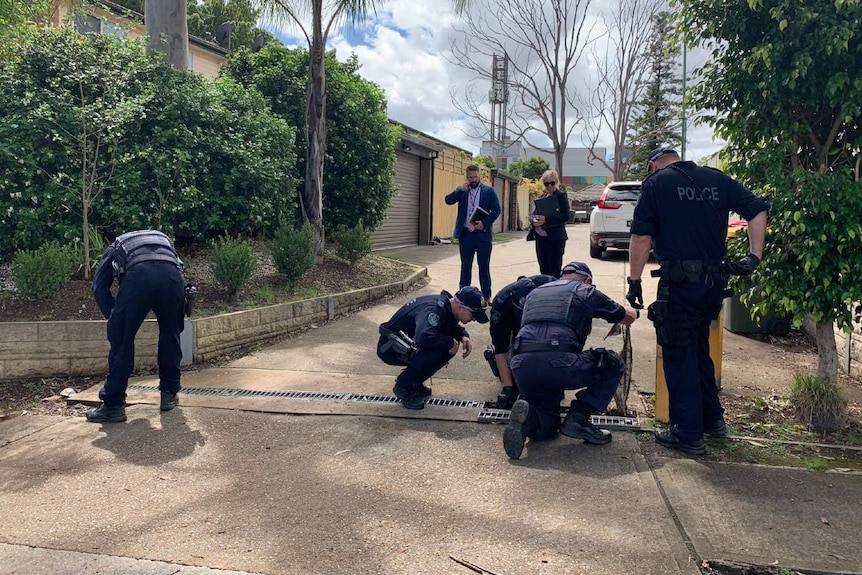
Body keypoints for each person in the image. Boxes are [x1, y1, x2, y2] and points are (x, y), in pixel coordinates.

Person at [627, 147, 769, 455]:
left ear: (653, 165)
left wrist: (634, 281)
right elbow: (757, 209)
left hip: (680, 284)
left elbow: (641, 238)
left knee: (679, 354)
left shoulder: (656, 183)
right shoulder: (717, 179)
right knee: (699, 349)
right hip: (713, 285)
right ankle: (712, 420)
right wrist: (754, 256)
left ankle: (687, 433)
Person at [503, 262, 638, 460]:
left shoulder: (536, 292)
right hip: (559, 363)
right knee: (612, 362)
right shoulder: (585, 290)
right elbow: (626, 318)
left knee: (547, 425)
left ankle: (528, 420)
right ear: (588, 280)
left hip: (521, 365)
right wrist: (633, 310)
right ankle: (579, 418)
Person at [86, 230, 187, 423]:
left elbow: (99, 287)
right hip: (171, 279)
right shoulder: (164, 240)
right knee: (170, 334)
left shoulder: (116, 245)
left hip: (138, 278)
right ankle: (169, 394)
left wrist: (115, 317)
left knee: (122, 340)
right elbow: (177, 267)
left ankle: (113, 405)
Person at [377, 286, 489, 410]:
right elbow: (424, 338)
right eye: (473, 315)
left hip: (405, 343)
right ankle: (404, 386)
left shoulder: (446, 305)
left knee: (446, 343)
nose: (474, 319)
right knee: (437, 350)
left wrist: (463, 336)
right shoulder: (434, 310)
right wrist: (449, 342)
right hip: (391, 348)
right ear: (460, 307)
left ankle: (415, 382)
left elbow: (449, 324)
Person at [488, 274, 556, 409]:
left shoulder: (552, 291)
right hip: (512, 324)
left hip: (543, 325)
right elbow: (500, 348)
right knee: (516, 382)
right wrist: (507, 388)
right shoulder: (501, 303)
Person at [445, 165, 502, 299]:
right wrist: (459, 190)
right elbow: (448, 200)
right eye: (471, 177)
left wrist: (485, 223)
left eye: (476, 177)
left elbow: (496, 209)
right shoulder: (463, 191)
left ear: (479, 176)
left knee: (484, 267)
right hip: (466, 234)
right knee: (465, 267)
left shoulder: (488, 191)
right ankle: (463, 296)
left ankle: (487, 296)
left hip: (482, 234)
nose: (474, 180)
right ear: (467, 177)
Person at [529, 170, 570, 277]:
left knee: (554, 270)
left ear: (556, 182)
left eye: (552, 183)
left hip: (555, 239)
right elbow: (533, 214)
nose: (549, 186)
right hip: (541, 239)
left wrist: (546, 219)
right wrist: (533, 221)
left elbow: (565, 216)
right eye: (546, 184)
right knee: (543, 269)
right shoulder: (542, 198)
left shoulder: (561, 196)